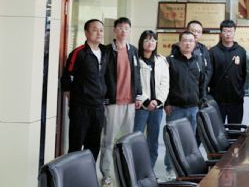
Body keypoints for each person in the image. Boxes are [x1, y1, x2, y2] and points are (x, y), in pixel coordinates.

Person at [100, 17, 142, 186]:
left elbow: (137, 74)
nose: (123, 31)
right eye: (120, 28)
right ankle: (106, 174)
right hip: (113, 102)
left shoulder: (133, 50)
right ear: (114, 30)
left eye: (126, 28)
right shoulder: (107, 50)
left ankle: (124, 172)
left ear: (130, 31)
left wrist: (138, 95)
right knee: (109, 140)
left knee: (126, 141)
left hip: (130, 102)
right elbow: (102, 75)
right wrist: (103, 96)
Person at [60, 19, 107, 160]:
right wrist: (72, 94)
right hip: (81, 108)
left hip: (98, 107)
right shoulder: (78, 53)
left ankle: (89, 172)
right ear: (86, 33)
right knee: (76, 144)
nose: (99, 33)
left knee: (94, 145)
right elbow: (67, 76)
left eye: (101, 30)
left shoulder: (105, 52)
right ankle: (72, 172)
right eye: (94, 29)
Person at [164, 30, 203, 179]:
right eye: (185, 40)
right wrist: (167, 103)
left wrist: (200, 101)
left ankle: (187, 168)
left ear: (195, 43)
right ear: (179, 43)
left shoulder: (198, 60)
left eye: (191, 41)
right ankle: (170, 168)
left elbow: (201, 83)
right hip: (175, 108)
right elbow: (164, 84)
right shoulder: (170, 60)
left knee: (189, 141)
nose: (188, 43)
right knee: (172, 140)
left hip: (193, 108)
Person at [133, 30, 169, 169]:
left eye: (153, 40)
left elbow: (165, 83)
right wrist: (146, 101)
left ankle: (149, 170)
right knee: (136, 139)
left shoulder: (161, 60)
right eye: (147, 40)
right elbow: (135, 83)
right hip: (141, 107)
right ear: (141, 42)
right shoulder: (135, 59)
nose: (150, 43)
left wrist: (158, 101)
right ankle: (136, 169)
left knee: (153, 141)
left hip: (157, 108)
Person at [209, 20, 247, 123]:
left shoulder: (241, 51)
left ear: (234, 32)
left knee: (235, 128)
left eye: (230, 31)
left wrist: (240, 91)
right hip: (217, 100)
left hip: (236, 99)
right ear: (221, 33)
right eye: (225, 31)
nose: (228, 34)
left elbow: (244, 74)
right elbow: (209, 74)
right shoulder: (212, 52)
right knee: (216, 129)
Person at [173, 20, 212, 100]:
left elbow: (208, 70)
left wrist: (202, 85)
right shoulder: (178, 48)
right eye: (193, 31)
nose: (195, 34)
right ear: (187, 31)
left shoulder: (203, 49)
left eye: (199, 32)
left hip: (200, 92)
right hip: (181, 93)